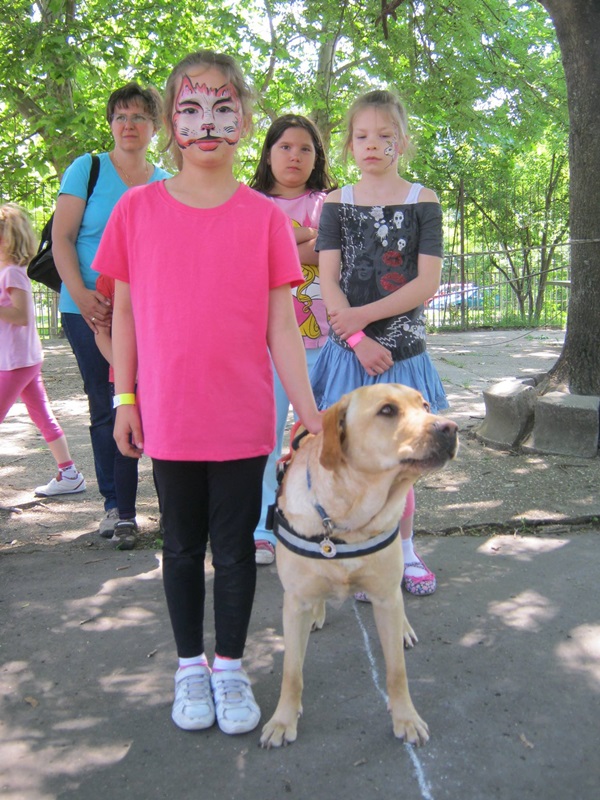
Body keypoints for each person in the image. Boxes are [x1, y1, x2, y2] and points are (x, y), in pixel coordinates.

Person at [92, 51, 322, 735]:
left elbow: (282, 326)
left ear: (244, 120)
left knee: (237, 547)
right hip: (169, 415)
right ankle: (190, 665)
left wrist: (311, 417)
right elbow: (125, 312)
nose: (208, 123)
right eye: (191, 109)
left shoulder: (264, 219)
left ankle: (229, 666)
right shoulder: (136, 209)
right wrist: (124, 400)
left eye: (224, 109)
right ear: (172, 123)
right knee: (183, 546)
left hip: (243, 418)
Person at [311, 89, 448, 598]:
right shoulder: (335, 203)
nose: (372, 144)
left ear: (402, 141)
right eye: (362, 136)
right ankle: (359, 552)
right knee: (349, 461)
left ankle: (404, 551)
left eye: (384, 136)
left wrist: (363, 320)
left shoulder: (423, 201)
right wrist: (357, 338)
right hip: (348, 356)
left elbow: (426, 283)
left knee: (402, 462)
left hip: (401, 356)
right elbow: (328, 280)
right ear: (349, 144)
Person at [51, 82, 170, 537]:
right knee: (106, 404)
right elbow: (62, 238)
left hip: (147, 314)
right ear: (111, 124)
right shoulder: (88, 168)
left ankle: (170, 506)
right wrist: (82, 295)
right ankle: (116, 507)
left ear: (155, 126)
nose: (129, 125)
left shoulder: (166, 182)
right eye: (120, 116)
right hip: (89, 309)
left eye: (139, 117)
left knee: (156, 403)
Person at [248, 114, 337, 565]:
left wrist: (284, 241)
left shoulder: (332, 202)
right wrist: (307, 238)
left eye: (306, 148)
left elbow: (334, 250)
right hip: (267, 346)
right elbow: (252, 258)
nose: (295, 156)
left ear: (317, 157)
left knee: (324, 440)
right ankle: (262, 527)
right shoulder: (248, 203)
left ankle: (321, 524)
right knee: (265, 440)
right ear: (268, 154)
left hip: (330, 344)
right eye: (285, 147)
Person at [0, 203, 85, 497]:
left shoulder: (12, 273)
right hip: (20, 359)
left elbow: (21, 316)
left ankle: (70, 474)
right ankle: (69, 474)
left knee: (42, 416)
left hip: (16, 362)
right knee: (42, 416)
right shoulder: (7, 271)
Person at [94, 272, 139, 549]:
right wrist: (126, 371)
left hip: (161, 376)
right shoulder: (108, 279)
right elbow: (101, 333)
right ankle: (125, 517)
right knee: (124, 450)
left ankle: (169, 516)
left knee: (163, 452)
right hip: (122, 382)